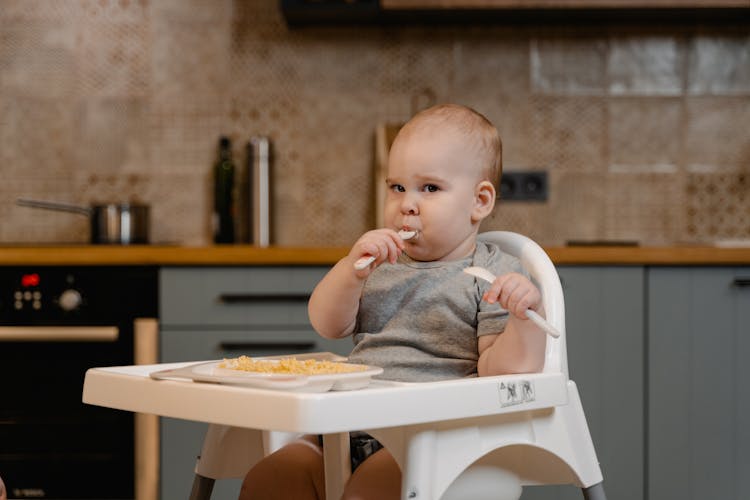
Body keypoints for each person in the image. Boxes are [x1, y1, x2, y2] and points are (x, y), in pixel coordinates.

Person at [239, 103, 546, 500]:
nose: (407, 204)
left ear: (479, 202)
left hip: (432, 437)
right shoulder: (378, 264)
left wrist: (524, 318)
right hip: (346, 428)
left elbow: (502, 372)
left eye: (429, 188)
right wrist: (351, 270)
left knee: (370, 490)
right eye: (397, 187)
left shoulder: (493, 275)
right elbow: (327, 324)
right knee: (272, 478)